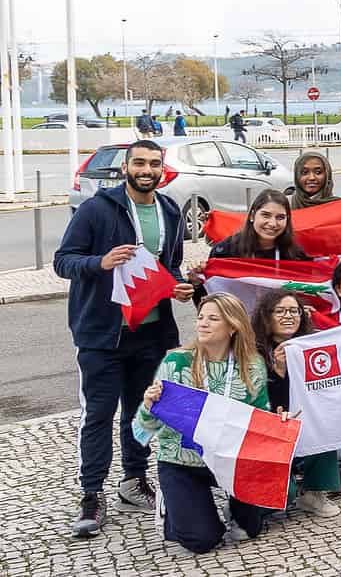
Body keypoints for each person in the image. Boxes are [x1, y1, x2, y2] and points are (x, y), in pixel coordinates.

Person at [54, 139, 195, 538]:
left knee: (142, 412)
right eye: (139, 163)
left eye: (153, 163)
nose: (146, 169)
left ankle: (134, 481)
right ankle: (91, 493)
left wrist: (179, 287)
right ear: (126, 167)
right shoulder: (98, 209)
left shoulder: (168, 209)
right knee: (98, 414)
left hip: (151, 333)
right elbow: (63, 261)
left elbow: (170, 268)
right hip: (102, 334)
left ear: (161, 168)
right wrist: (100, 262)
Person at [133, 293, 290, 553]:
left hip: (229, 457)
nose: (202, 324)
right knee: (202, 540)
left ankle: (232, 507)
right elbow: (144, 428)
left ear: (232, 326)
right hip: (182, 460)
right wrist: (149, 407)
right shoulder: (177, 362)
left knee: (248, 530)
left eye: (213, 319)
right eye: (201, 317)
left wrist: (279, 421)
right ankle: (174, 505)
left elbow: (260, 416)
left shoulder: (251, 365)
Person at [251, 292, 341, 518]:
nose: (288, 316)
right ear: (266, 316)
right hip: (267, 430)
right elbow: (253, 398)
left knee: (324, 426)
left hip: (302, 423)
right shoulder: (252, 350)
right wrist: (278, 373)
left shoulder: (311, 345)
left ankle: (314, 491)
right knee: (283, 496)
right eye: (280, 311)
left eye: (294, 311)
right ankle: (246, 506)